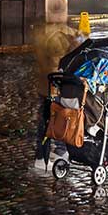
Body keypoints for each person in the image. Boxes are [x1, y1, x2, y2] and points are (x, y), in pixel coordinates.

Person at [31, 21, 84, 172]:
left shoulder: (47, 34)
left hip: (48, 86)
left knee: (56, 118)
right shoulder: (58, 37)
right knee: (50, 120)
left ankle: (58, 150)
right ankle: (42, 157)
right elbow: (59, 62)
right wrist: (75, 43)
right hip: (55, 87)